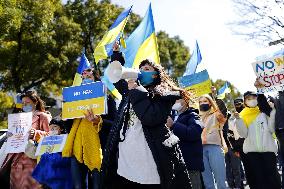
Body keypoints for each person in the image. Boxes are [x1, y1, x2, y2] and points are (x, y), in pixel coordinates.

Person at [101, 59, 192, 189]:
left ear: (155, 74)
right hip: (125, 163)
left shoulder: (164, 95)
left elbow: (150, 118)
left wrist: (137, 90)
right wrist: (117, 56)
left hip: (148, 165)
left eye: (147, 69)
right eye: (140, 68)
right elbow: (117, 75)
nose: (141, 71)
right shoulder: (130, 92)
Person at [62, 67, 116, 189]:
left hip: (97, 147)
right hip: (77, 148)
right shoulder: (74, 101)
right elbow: (70, 128)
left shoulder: (107, 99)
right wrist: (65, 117)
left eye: (89, 77)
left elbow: (115, 124)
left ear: (97, 80)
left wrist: (99, 121)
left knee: (98, 185)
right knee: (78, 185)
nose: (85, 80)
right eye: (83, 78)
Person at [1, 90, 51, 189]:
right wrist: (9, 134)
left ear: (35, 102)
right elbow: (15, 134)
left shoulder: (43, 116)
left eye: (27, 103)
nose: (24, 105)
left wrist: (36, 133)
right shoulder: (18, 118)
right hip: (16, 160)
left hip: (32, 159)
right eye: (23, 103)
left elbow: (51, 135)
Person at [234, 90, 281, 189]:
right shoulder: (242, 115)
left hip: (268, 150)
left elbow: (272, 129)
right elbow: (243, 134)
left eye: (254, 98)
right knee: (259, 179)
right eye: (248, 99)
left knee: (272, 178)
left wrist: (272, 112)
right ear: (245, 102)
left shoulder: (264, 111)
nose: (252, 100)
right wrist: (238, 120)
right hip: (252, 152)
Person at [166, 98, 204, 189]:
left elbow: (193, 133)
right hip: (177, 166)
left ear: (184, 102)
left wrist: (174, 125)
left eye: (177, 100)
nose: (174, 103)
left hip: (190, 165)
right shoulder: (172, 116)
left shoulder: (193, 116)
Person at [32, 119, 73, 189]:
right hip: (48, 180)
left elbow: (66, 160)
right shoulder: (46, 140)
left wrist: (48, 156)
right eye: (50, 127)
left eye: (55, 126)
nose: (52, 129)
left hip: (61, 179)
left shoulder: (67, 140)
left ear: (62, 129)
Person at [199, 94, 227, 189]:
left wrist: (215, 100)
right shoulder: (197, 117)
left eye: (205, 101)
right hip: (200, 149)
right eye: (200, 102)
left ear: (210, 103)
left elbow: (223, 118)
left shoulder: (216, 114)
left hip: (214, 147)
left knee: (220, 178)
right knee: (207, 181)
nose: (202, 103)